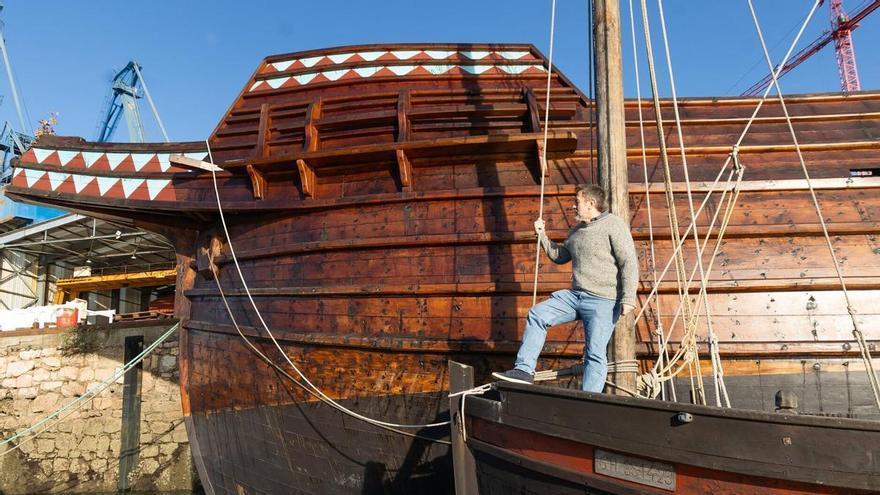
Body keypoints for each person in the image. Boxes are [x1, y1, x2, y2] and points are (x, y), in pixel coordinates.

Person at [493, 184, 638, 392]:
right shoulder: (577, 231)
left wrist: (628, 298)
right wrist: (542, 236)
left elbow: (629, 262)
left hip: (603, 301)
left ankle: (591, 400)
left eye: (577, 201)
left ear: (590, 203)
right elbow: (560, 256)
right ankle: (524, 371)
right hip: (575, 297)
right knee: (538, 314)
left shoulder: (614, 226)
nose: (573, 206)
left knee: (595, 353)